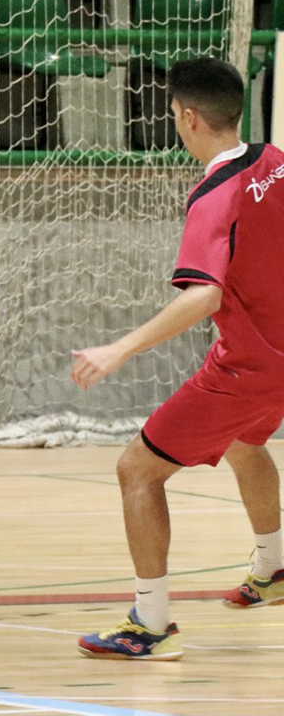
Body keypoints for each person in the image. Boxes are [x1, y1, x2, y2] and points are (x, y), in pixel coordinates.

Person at [71, 57, 284, 661]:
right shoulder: (275, 161)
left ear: (188, 118)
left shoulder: (214, 196)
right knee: (244, 444)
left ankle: (150, 625)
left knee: (137, 471)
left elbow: (203, 295)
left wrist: (117, 348)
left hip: (249, 369)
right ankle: (273, 568)